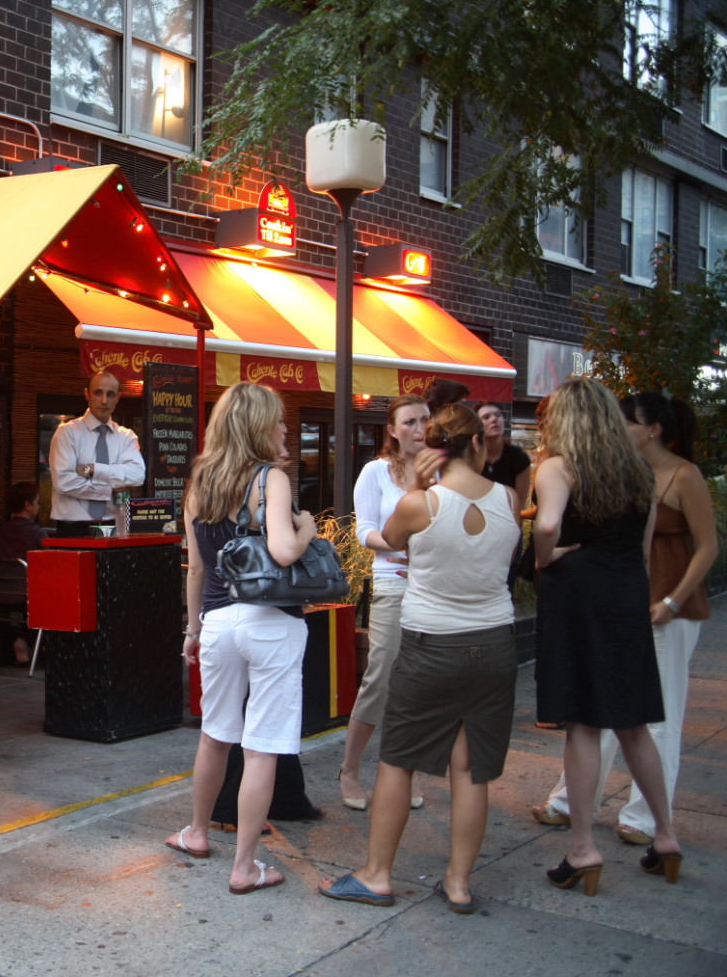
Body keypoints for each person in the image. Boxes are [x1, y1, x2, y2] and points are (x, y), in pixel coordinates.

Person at [318, 404, 520, 912]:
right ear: (478, 444)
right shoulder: (510, 498)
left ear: (434, 447)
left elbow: (389, 541)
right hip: (495, 643)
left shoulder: (419, 503)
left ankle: (376, 875)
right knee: (470, 768)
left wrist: (416, 486)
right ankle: (458, 883)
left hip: (432, 643)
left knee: (398, 759)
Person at [530, 392, 715, 848]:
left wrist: (544, 556)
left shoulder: (560, 466)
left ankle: (585, 846)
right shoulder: (636, 471)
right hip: (628, 595)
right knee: (635, 723)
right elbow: (643, 551)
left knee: (587, 724)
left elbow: (547, 524)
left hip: (587, 598)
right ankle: (665, 835)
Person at [166, 382, 315, 895]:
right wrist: (307, 527)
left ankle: (197, 833)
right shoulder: (270, 479)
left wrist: (192, 629)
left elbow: (196, 568)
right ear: (258, 426)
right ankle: (245, 866)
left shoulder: (199, 483)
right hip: (270, 621)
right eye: (278, 420)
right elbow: (285, 550)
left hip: (217, 622)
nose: (284, 428)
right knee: (262, 747)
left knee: (215, 734)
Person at [340, 394, 430, 813]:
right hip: (393, 583)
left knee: (417, 684)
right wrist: (396, 545)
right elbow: (365, 531)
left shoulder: (440, 471)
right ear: (392, 430)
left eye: (424, 420)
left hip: (431, 586)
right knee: (380, 677)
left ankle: (404, 769)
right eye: (409, 422)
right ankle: (350, 768)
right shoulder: (376, 471)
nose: (419, 428)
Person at [48, 370, 144, 538]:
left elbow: (137, 475)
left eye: (110, 394)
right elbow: (64, 482)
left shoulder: (126, 436)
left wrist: (94, 469)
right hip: (73, 530)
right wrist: (109, 489)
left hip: (114, 527)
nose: (104, 400)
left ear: (118, 397)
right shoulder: (67, 433)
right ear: (87, 394)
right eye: (98, 393)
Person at [0, 481, 45, 665]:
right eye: (37, 502)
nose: (39, 506)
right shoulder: (36, 532)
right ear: (28, 505)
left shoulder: (1, 531)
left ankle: (18, 642)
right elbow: (47, 562)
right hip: (27, 594)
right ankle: (27, 642)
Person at [476, 402, 532, 505]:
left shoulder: (518, 458)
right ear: (477, 425)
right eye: (486, 417)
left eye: (498, 415)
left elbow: (520, 503)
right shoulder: (469, 456)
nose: (494, 419)